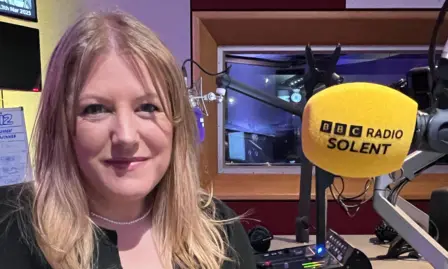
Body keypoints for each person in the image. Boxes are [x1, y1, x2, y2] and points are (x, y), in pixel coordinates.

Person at [0, 10, 256, 269]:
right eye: (96, 109)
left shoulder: (221, 231)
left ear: (176, 121)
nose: (126, 136)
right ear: (61, 125)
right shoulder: (12, 233)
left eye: (147, 107)